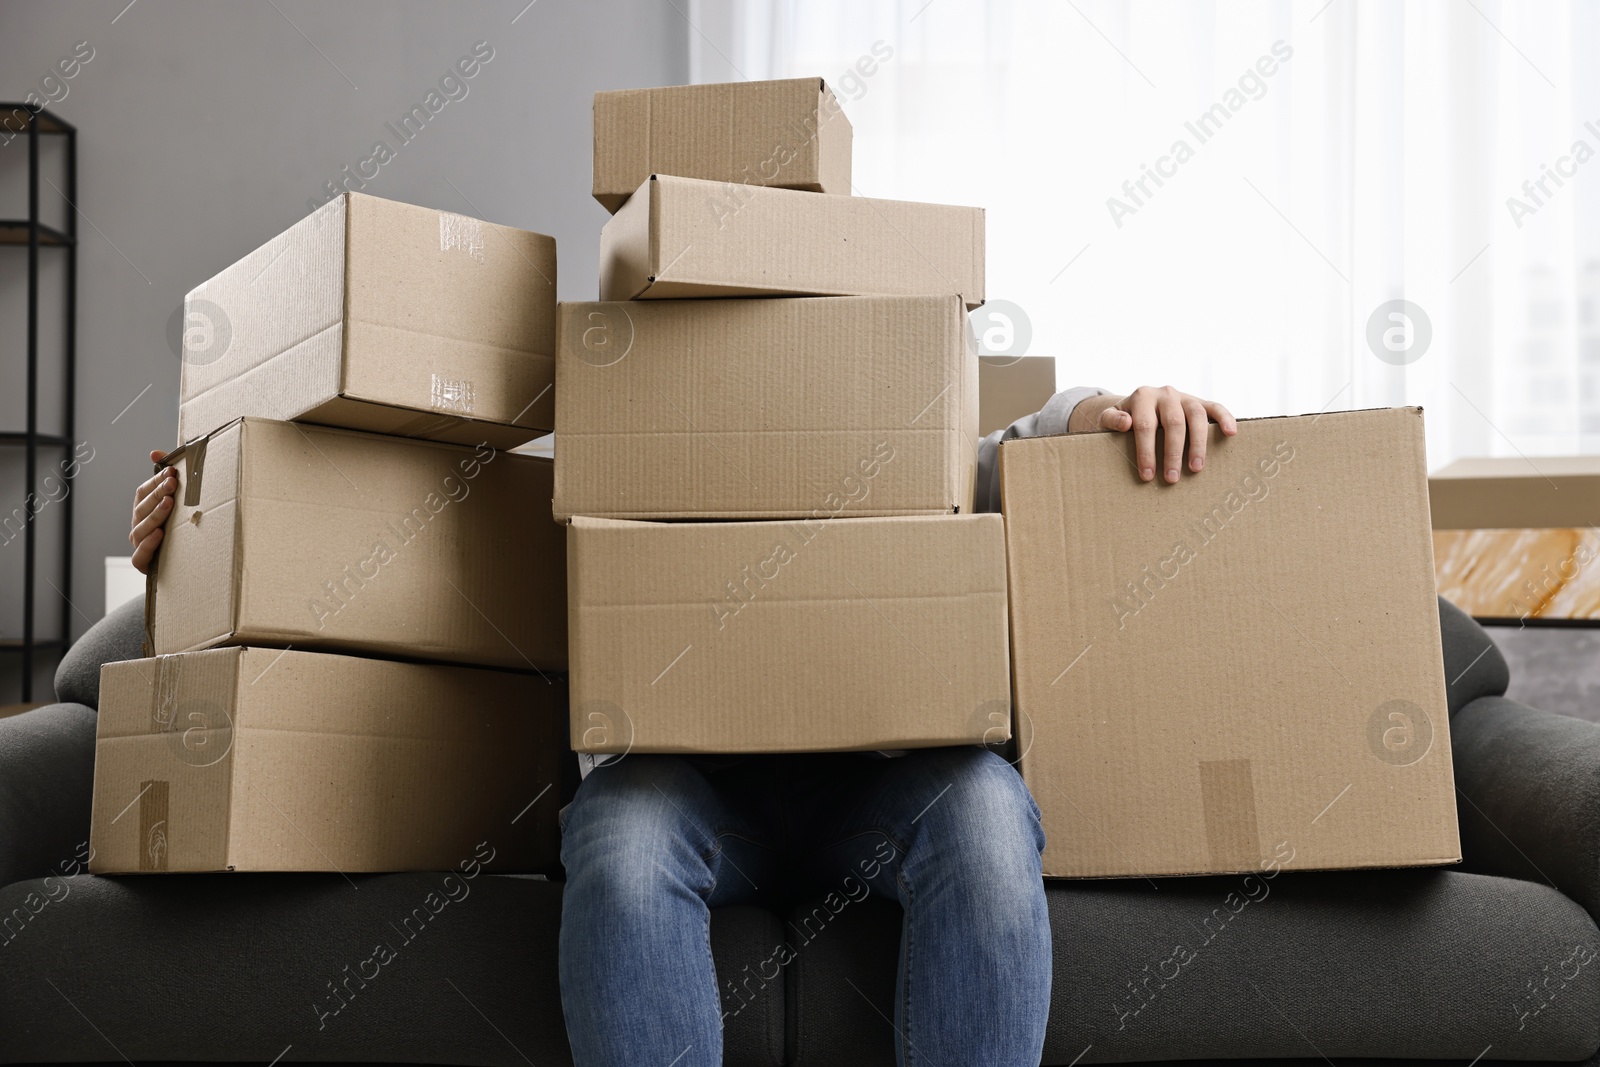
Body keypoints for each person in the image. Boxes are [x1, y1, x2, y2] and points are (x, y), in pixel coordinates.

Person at [127, 386, 1236, 1067]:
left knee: (989, 815)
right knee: (622, 836)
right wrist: (207, 535)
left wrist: (1109, 407)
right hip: (686, 784)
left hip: (887, 784)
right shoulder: (627, 428)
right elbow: (390, 525)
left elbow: (1018, 444)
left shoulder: (887, 400)